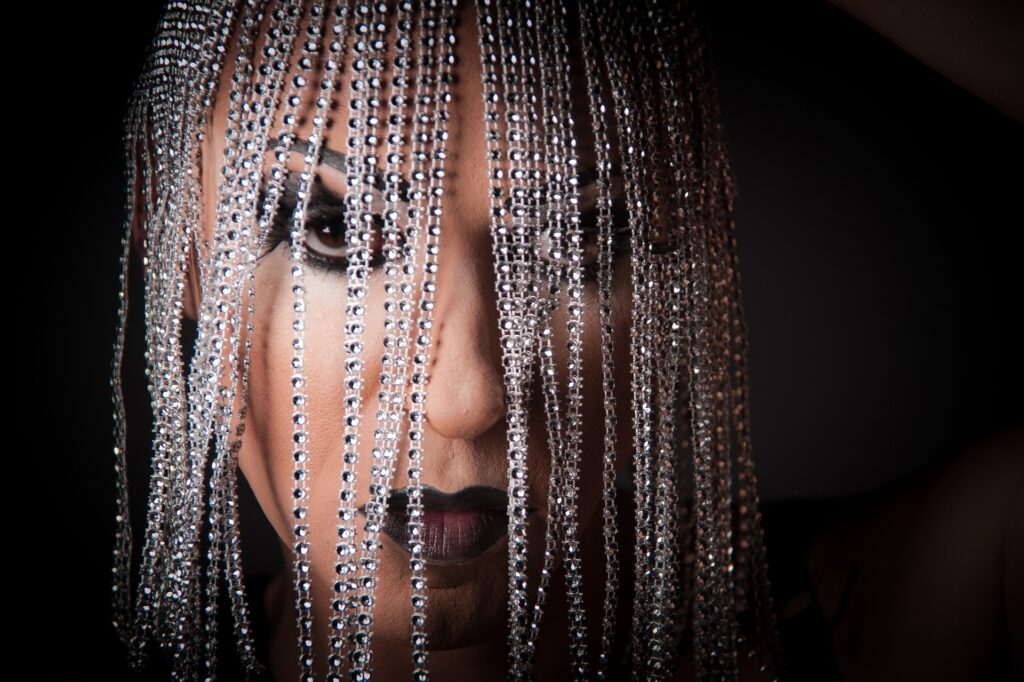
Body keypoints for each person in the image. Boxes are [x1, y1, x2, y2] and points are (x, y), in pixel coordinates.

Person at [108, 0, 1022, 681]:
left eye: (582, 245)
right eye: (333, 232)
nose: (465, 397)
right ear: (178, 245)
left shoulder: (925, 612)